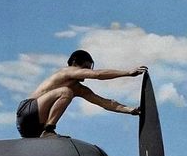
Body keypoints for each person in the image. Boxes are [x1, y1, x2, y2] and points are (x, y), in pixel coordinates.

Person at [16, 49, 147, 138]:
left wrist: (131, 110)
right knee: (66, 92)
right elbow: (98, 74)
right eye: (85, 68)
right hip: (28, 112)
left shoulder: (80, 89)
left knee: (68, 92)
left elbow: (105, 103)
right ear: (74, 64)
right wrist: (128, 73)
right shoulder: (67, 71)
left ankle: (46, 132)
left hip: (33, 130)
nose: (88, 72)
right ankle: (49, 129)